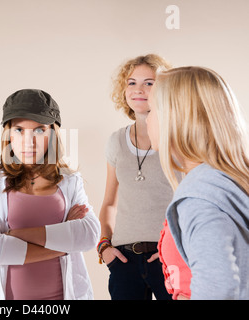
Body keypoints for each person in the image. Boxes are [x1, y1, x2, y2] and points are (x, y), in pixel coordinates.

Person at [0, 89, 100, 300]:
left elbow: (89, 235)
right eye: (19, 130)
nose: (29, 141)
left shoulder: (69, 180)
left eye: (39, 130)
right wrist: (64, 245)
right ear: (8, 134)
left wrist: (14, 236)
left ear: (52, 134)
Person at [147, 66, 249, 300]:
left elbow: (218, 288)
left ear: (175, 118)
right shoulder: (226, 183)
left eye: (152, 110)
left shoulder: (200, 197)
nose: (146, 119)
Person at [97, 54, 174, 300]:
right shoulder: (116, 141)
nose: (138, 89)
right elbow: (109, 202)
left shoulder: (177, 141)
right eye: (131, 82)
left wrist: (175, 251)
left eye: (149, 83)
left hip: (167, 259)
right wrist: (104, 247)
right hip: (123, 260)